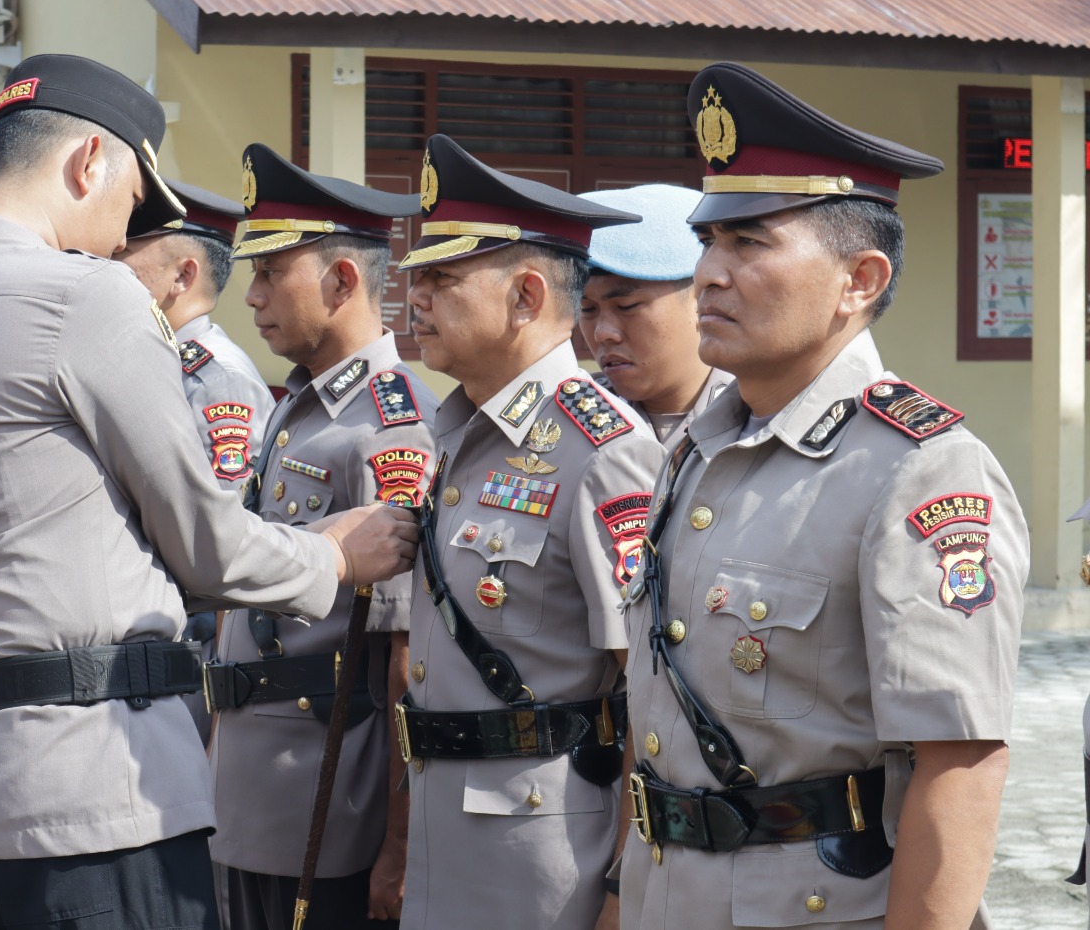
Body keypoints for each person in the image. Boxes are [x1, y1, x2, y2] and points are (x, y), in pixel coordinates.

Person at [0, 54, 417, 930]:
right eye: (129, 201)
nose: (125, 236)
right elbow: (206, 544)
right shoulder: (85, 298)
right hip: (96, 788)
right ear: (89, 163)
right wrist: (332, 554)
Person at [619, 62, 1024, 930]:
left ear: (860, 280)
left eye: (750, 243)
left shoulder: (917, 470)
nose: (709, 276)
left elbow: (959, 759)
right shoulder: (697, 447)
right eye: (708, 244)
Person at [395, 134, 665, 929]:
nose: (415, 300)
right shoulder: (456, 431)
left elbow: (645, 695)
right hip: (446, 827)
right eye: (417, 280)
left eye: (441, 280)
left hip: (545, 852)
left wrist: (622, 885)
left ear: (525, 297)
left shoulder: (601, 449)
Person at [206, 144, 437, 930]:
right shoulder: (293, 406)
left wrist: (399, 847)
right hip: (249, 788)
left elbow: (406, 661)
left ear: (342, 283)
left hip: (327, 805)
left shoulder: (389, 430)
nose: (252, 297)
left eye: (273, 273)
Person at [115, 179, 272, 747]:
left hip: (194, 647)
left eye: (128, 256)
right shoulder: (156, 361)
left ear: (182, 275)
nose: (111, 266)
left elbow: (224, 530)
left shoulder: (214, 376)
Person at [577, 184, 733, 451]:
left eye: (627, 306)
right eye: (587, 310)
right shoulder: (569, 424)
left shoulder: (755, 419)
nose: (602, 333)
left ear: (701, 301)